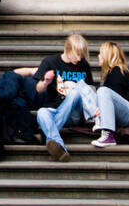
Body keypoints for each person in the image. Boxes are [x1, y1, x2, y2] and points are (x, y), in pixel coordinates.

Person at [34, 32, 96, 161]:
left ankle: (48, 134)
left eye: (82, 55)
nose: (79, 59)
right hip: (54, 110)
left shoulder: (84, 65)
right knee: (41, 113)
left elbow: (90, 91)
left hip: (75, 113)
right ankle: (60, 147)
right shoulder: (49, 62)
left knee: (76, 92)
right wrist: (46, 82)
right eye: (77, 54)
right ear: (68, 49)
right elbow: (39, 90)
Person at [90, 40, 129, 148]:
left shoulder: (117, 72)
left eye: (100, 54)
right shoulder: (110, 73)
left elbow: (113, 98)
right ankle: (99, 121)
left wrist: (101, 110)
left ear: (107, 56)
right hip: (122, 113)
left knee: (103, 91)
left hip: (128, 114)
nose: (98, 56)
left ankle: (108, 136)